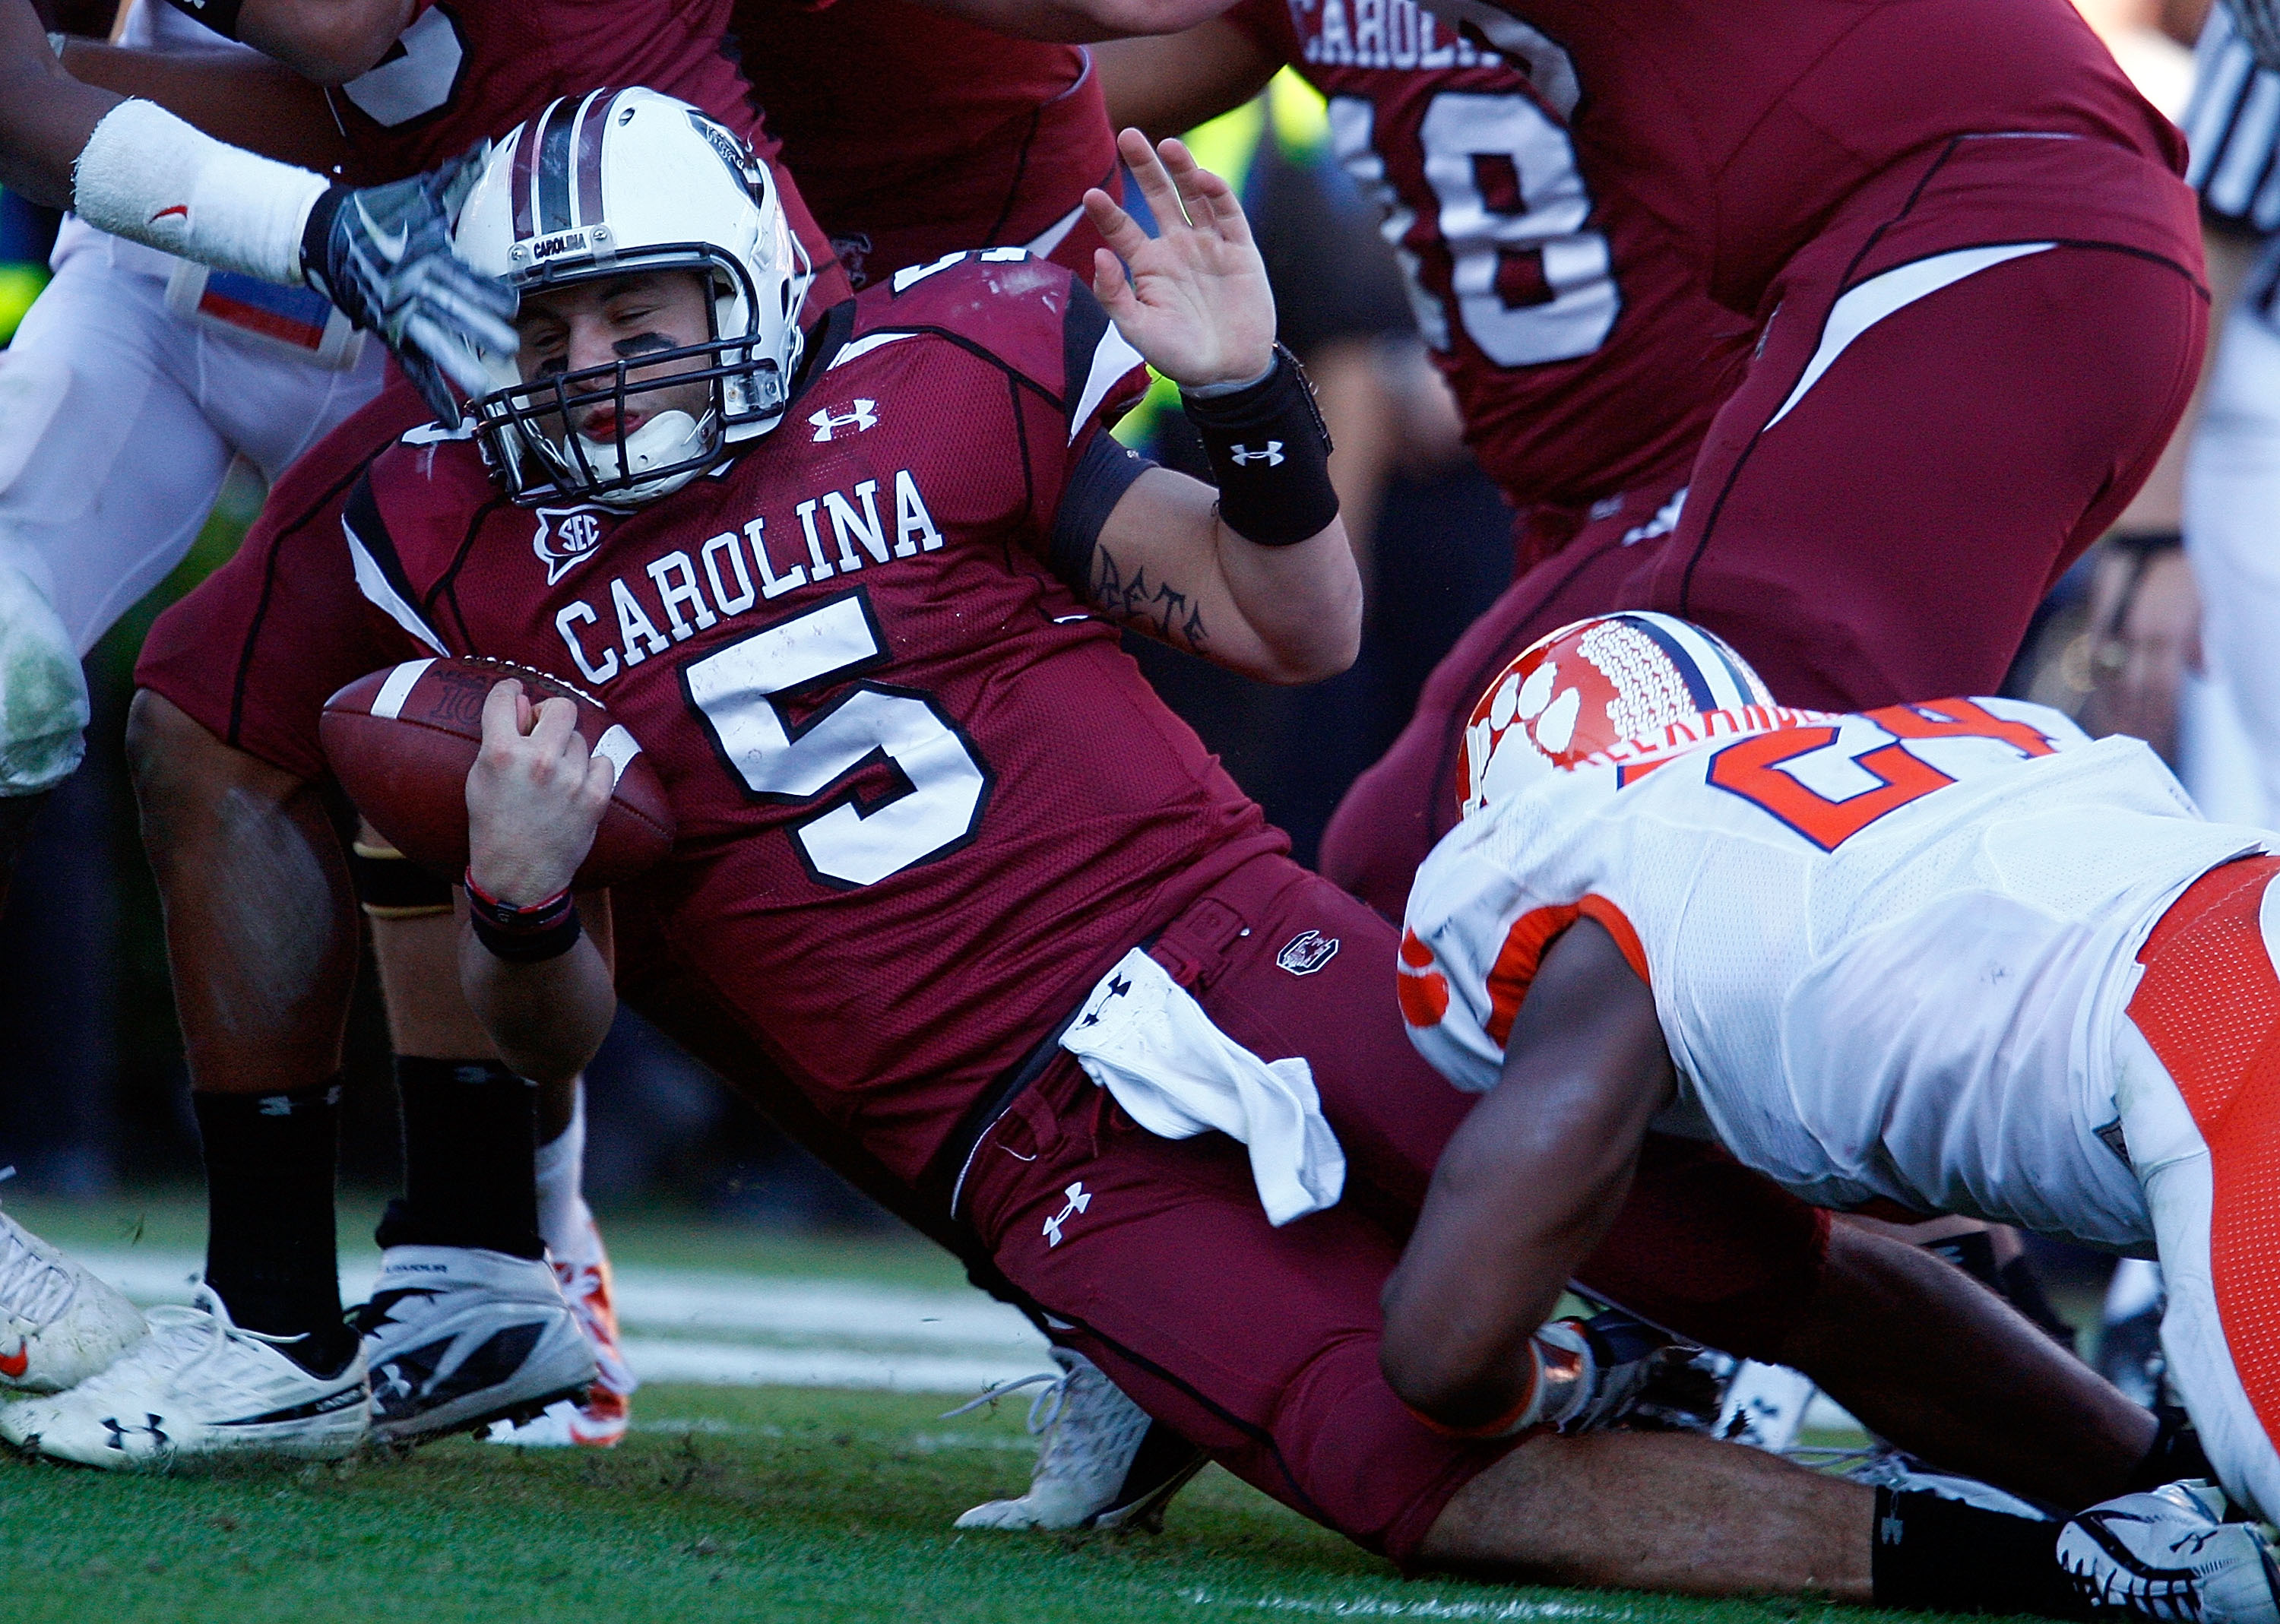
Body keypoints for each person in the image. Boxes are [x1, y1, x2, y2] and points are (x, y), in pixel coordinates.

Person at [25, 93, 2221, 1616]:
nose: (600, 375)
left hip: (1229, 942)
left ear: (752, 286)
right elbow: (552, 1018)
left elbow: (1301, 617)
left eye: (639, 315)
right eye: (560, 335)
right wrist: (512, 883)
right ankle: (2047, 1564)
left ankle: (2169, 1485)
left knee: (1744, 1250)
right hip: (1011, 1142)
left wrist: (1253, 400)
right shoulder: (467, 560)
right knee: (1394, 1473)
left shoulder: (935, 379)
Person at [1389, 626, 2280, 1614]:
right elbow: (1878, 1304)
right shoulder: (1969, 749)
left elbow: (1442, 1343)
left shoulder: (1631, 879)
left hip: (2224, 1032)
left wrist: (1561, 1377)